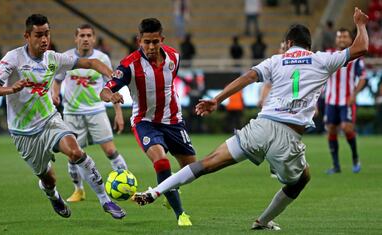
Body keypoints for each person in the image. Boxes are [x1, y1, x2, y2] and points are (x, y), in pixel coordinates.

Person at [133, 8, 369, 230]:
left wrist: (217, 99)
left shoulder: (276, 60)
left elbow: (248, 77)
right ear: (309, 44)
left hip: (261, 126)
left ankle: (155, 192)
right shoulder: (322, 59)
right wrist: (360, 25)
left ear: (288, 44)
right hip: (288, 136)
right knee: (301, 178)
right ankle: (263, 221)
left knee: (207, 163)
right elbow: (361, 48)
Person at [0, 14, 126, 219]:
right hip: (23, 131)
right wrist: (10, 89)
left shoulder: (53, 58)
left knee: (76, 152)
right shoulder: (13, 59)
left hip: (50, 120)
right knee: (48, 178)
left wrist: (113, 81)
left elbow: (91, 62)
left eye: (47, 34)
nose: (44, 39)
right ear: (27, 36)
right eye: (38, 35)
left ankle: (105, 200)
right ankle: (52, 195)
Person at [100, 18, 196, 226]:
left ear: (162, 39)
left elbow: (169, 87)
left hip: (173, 121)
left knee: (193, 169)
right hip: (145, 122)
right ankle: (181, 214)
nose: (151, 47)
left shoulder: (174, 57)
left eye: (155, 41)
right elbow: (104, 90)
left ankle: (170, 188)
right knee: (161, 162)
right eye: (146, 42)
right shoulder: (129, 65)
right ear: (139, 41)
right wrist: (112, 96)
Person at [52, 24, 128, 202]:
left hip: (96, 111)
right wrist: (55, 94)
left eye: (88, 35)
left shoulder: (102, 59)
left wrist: (118, 113)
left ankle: (126, 184)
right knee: (73, 155)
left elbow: (113, 87)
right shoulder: (66, 58)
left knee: (110, 150)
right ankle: (78, 190)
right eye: (81, 35)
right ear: (75, 38)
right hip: (72, 113)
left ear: (93, 39)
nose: (85, 39)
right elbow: (57, 81)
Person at [325, 28, 368, 175]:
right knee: (331, 129)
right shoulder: (328, 54)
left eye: (344, 37)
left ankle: (355, 159)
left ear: (350, 39)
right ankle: (336, 166)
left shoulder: (355, 57)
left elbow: (363, 77)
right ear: (335, 39)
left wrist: (354, 94)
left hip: (346, 100)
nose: (341, 39)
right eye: (339, 37)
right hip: (331, 100)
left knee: (346, 128)